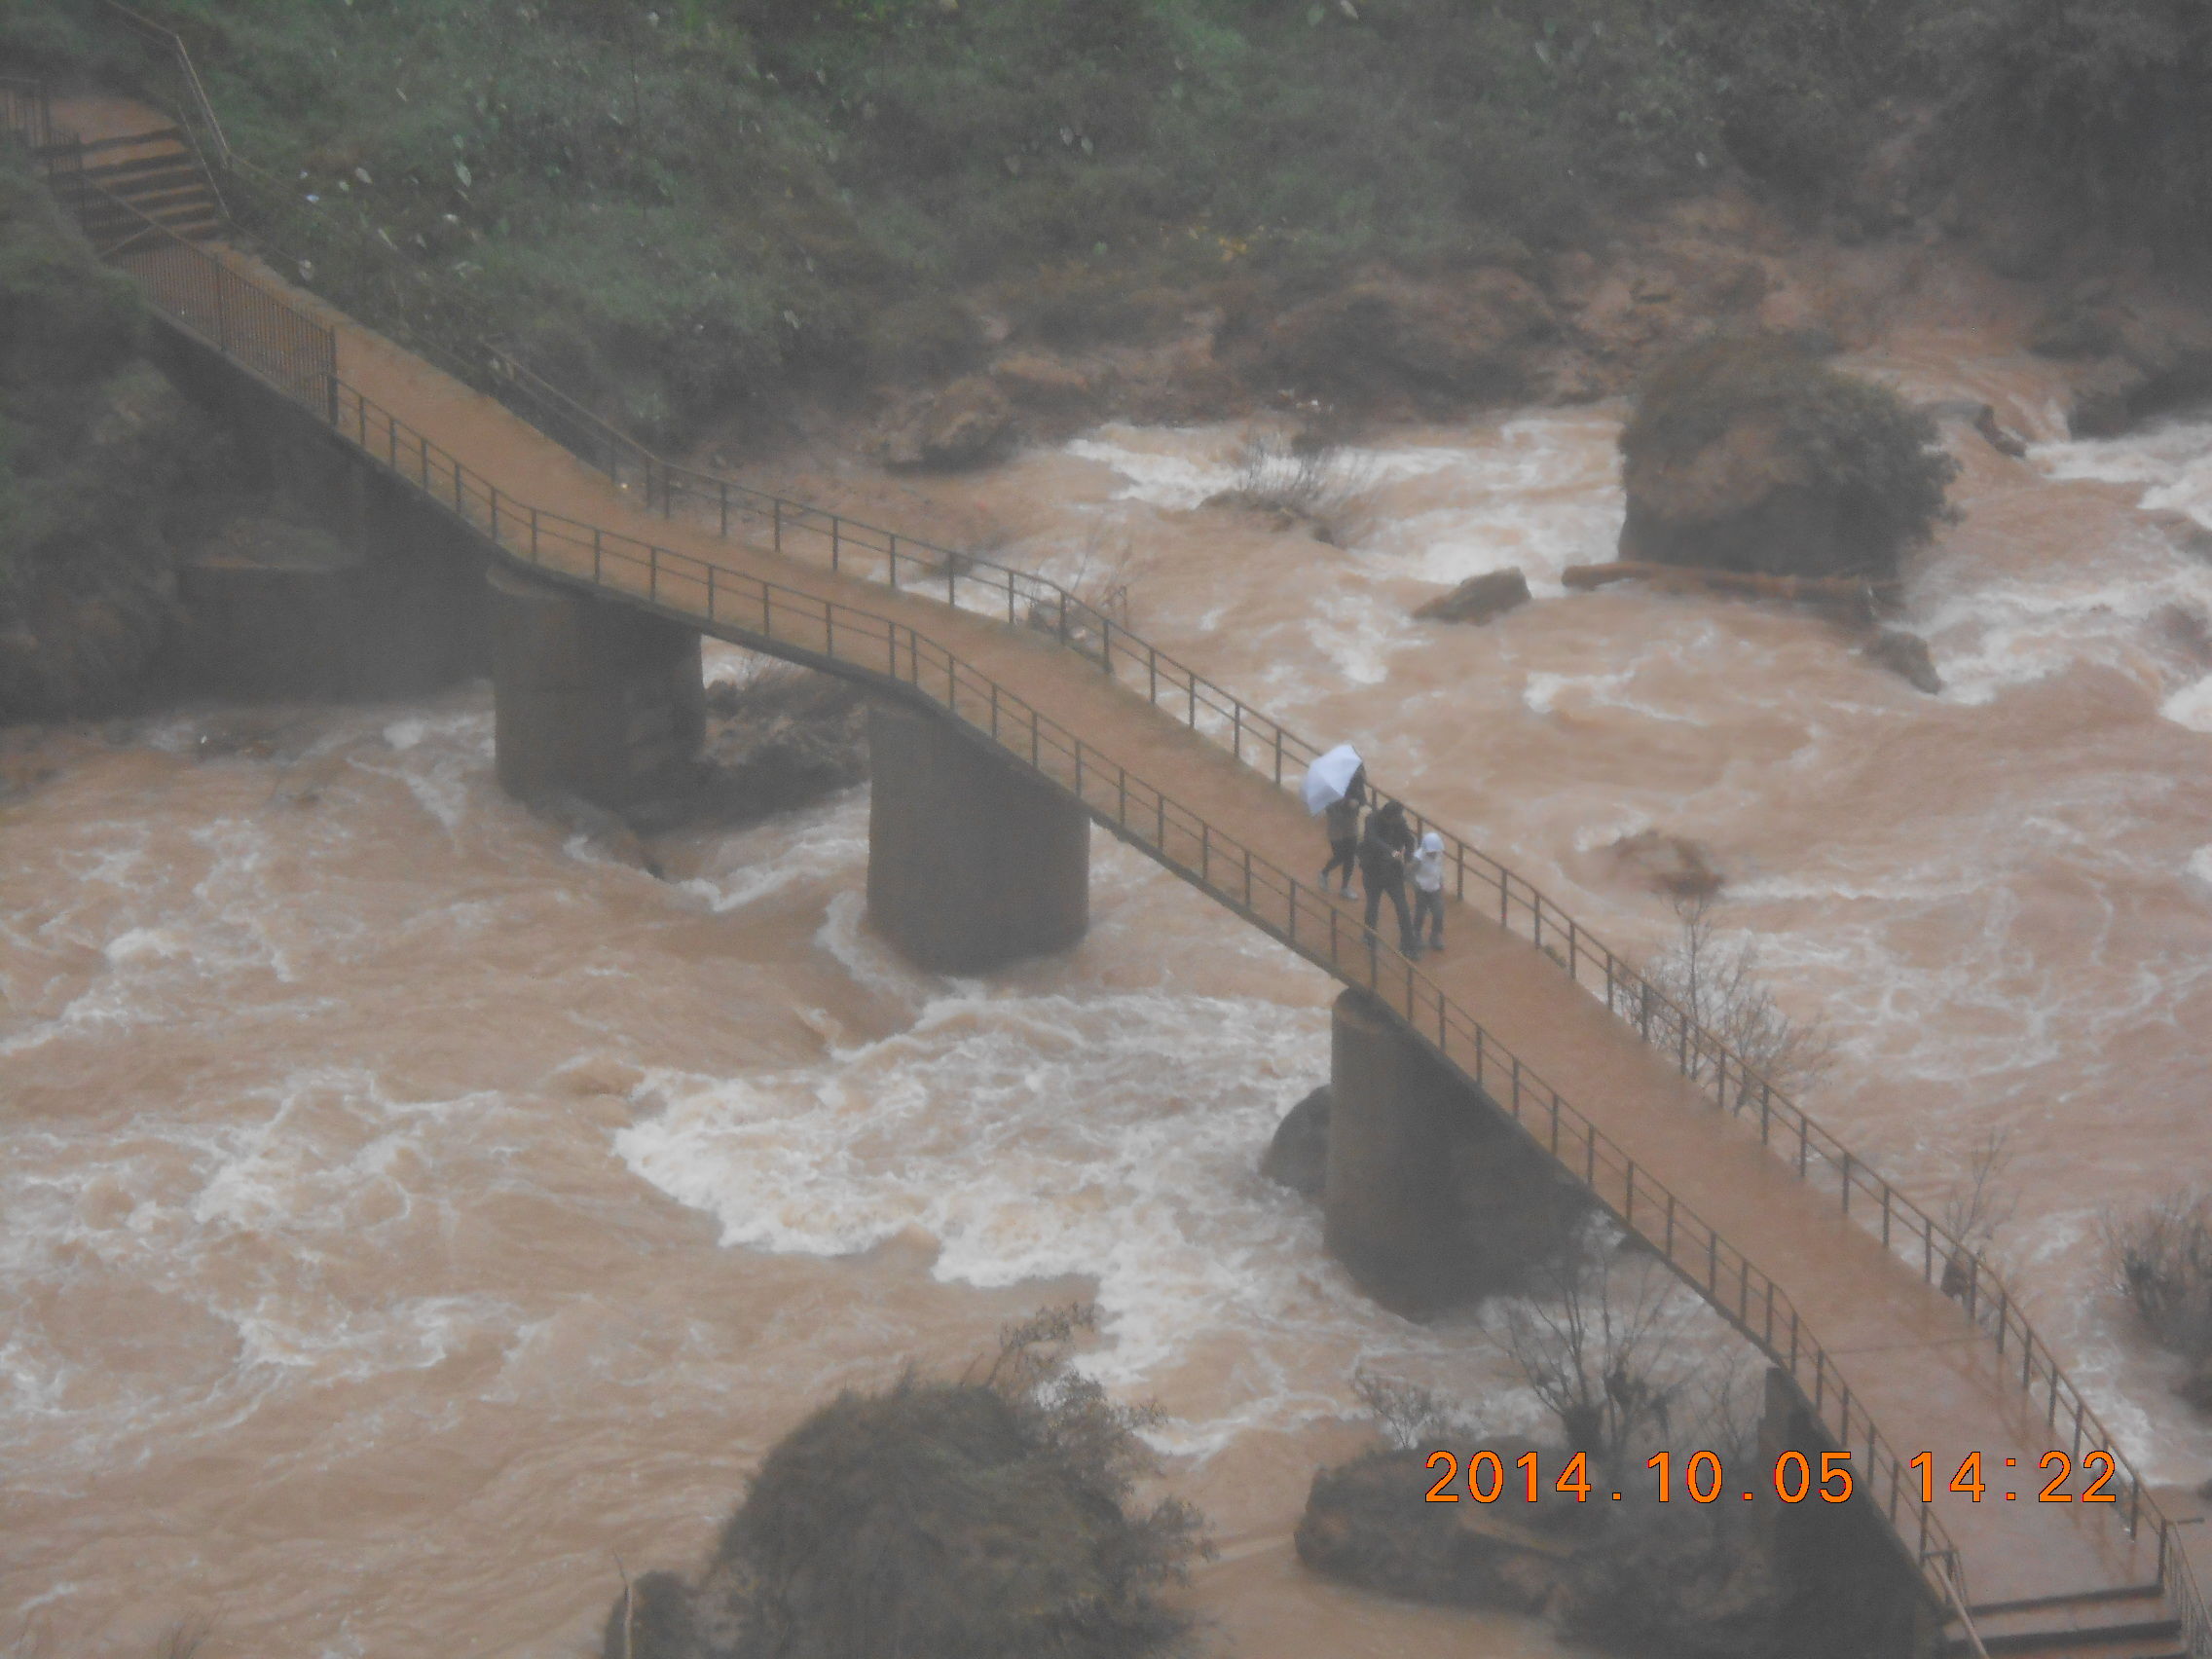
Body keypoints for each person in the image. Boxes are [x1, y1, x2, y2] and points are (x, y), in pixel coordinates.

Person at [1358, 798, 1419, 958]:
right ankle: (1369, 935)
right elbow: (1371, 839)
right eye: (1394, 818)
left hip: (1393, 872)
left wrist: (1408, 859)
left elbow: (1410, 840)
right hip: (1373, 871)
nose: (1397, 821)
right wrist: (1391, 851)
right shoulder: (1371, 819)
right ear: (1387, 816)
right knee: (1372, 905)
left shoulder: (1399, 821)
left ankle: (1409, 946)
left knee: (1403, 908)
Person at [1319, 788, 1364, 896]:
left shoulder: (1355, 788)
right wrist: (1346, 803)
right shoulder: (1330, 795)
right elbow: (1335, 816)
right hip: (1336, 831)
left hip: (1351, 829)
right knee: (1340, 856)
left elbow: (1363, 801)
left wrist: (1357, 803)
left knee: (1350, 858)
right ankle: (1324, 873)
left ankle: (1345, 887)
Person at [1411, 830, 1446, 952]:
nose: (1433, 854)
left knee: (1438, 913)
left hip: (1435, 888)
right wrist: (1416, 884)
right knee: (1421, 912)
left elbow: (1439, 869)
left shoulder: (1439, 854)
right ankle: (1416, 934)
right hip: (1422, 889)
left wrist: (1441, 883)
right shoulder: (1418, 858)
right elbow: (1409, 872)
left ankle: (1435, 936)